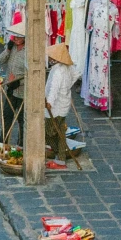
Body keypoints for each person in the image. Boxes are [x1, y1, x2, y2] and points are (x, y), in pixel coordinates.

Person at [45, 38, 75, 167]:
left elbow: (54, 89)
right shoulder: (67, 68)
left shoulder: (58, 71)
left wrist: (49, 102)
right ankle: (60, 157)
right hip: (64, 104)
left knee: (49, 132)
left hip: (56, 106)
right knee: (61, 132)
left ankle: (59, 153)